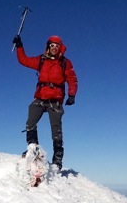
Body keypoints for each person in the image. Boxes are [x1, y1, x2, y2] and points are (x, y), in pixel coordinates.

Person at [13, 34, 78, 169]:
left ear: (61, 48)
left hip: (55, 101)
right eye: (52, 45)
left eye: (57, 46)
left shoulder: (65, 62)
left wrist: (72, 95)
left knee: (56, 130)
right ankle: (33, 148)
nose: (54, 48)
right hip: (40, 98)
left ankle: (57, 160)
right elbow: (23, 60)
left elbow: (72, 79)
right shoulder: (41, 60)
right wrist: (19, 46)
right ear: (48, 46)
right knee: (30, 122)